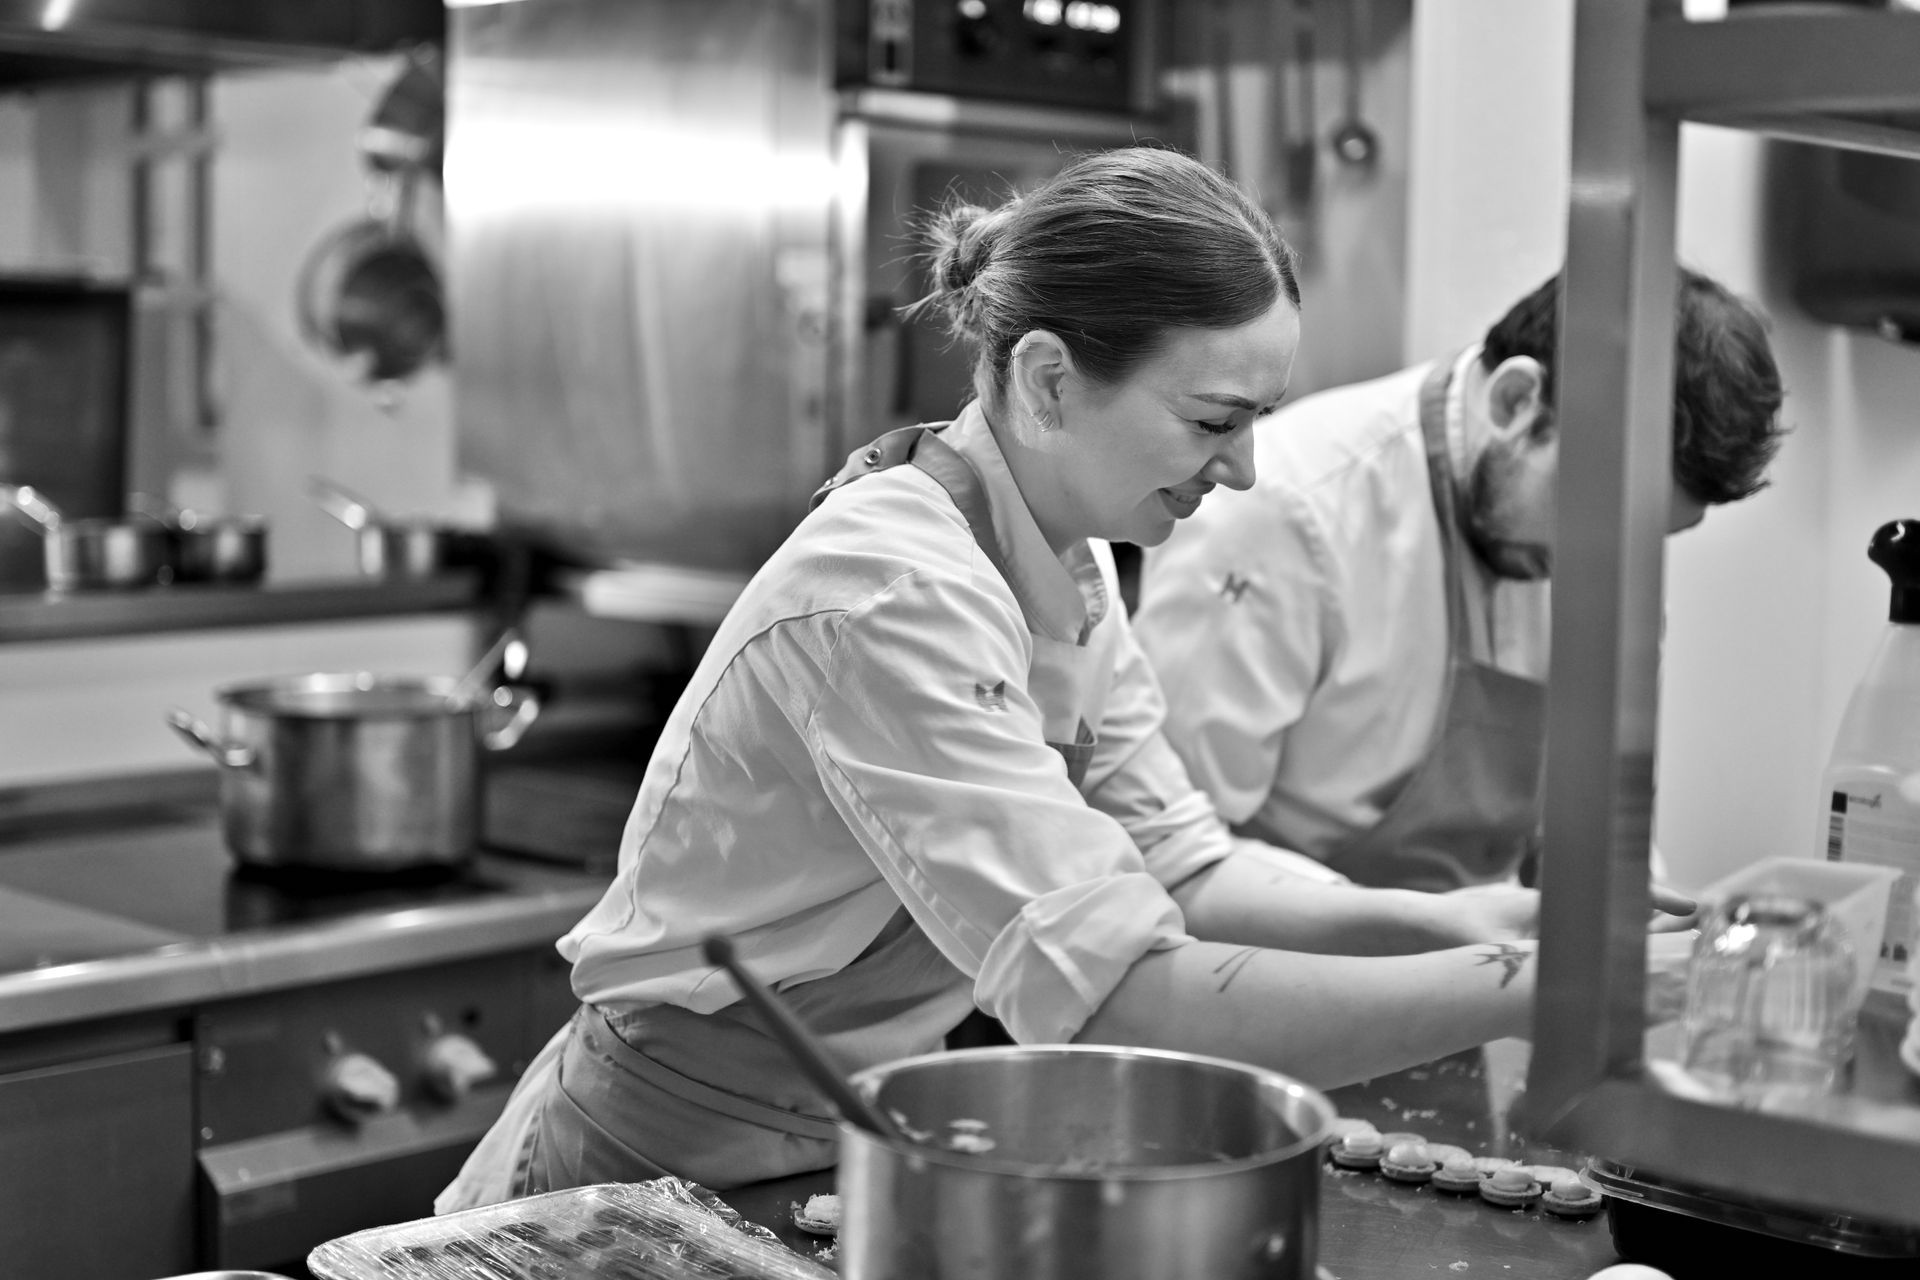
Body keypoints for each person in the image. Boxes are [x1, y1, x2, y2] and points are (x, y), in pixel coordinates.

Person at [438, 147, 1560, 1212]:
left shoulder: (1071, 565)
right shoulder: (896, 590)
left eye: (1257, 421)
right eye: (1214, 421)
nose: (1245, 469)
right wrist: (1526, 986)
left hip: (842, 1135)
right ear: (1049, 381)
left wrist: (1446, 922)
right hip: (654, 1160)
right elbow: (1123, 997)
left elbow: (1185, 864)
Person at [1132, 268, 1786, 893]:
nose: (1603, 563)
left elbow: (1587, 829)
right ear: (1515, 401)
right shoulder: (1284, 510)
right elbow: (1168, 853)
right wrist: (1429, 929)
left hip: (1484, 952)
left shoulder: (1604, 552)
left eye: (1648, 537)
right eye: (1595, 515)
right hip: (1285, 954)